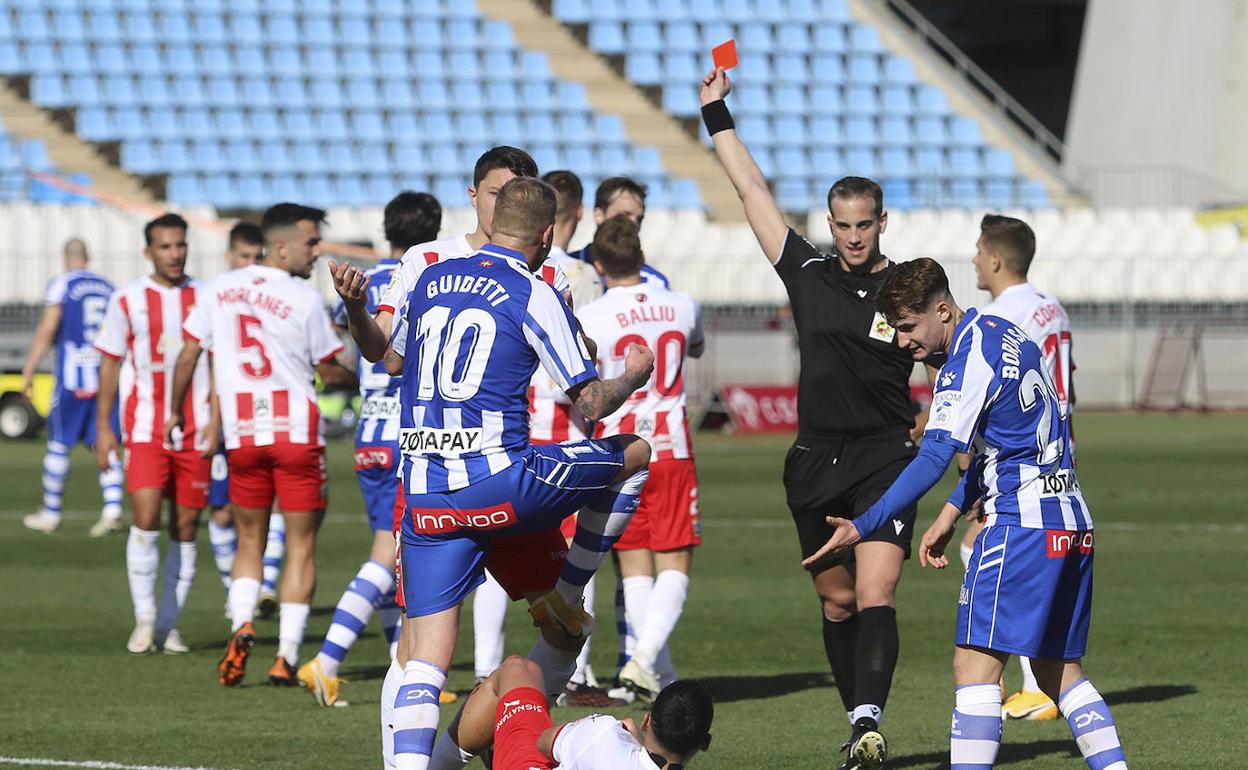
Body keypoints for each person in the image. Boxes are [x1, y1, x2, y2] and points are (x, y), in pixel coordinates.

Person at [347, 177, 654, 770]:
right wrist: (634, 375)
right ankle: (569, 591)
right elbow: (589, 404)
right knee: (634, 452)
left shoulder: (431, 276)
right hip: (505, 483)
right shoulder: (534, 290)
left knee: (425, 662)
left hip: (428, 495)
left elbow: (386, 355)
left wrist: (358, 306)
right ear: (546, 233)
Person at [805, 257, 1127, 770]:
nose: (901, 342)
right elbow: (1009, 438)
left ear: (941, 309)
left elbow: (934, 455)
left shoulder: (965, 359)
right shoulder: (1007, 333)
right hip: (1070, 523)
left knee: (973, 671)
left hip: (1019, 526)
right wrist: (953, 510)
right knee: (1057, 672)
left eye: (908, 327)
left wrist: (863, 525)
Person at [699, 67, 918, 767]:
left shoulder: (911, 284)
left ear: (883, 223)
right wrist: (715, 113)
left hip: (887, 454)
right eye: (843, 225)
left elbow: (948, 355)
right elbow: (751, 191)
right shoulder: (807, 271)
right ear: (831, 224)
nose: (854, 237)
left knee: (878, 588)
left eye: (865, 225)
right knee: (837, 602)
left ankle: (868, 726)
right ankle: (859, 717)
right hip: (815, 459)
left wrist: (938, 424)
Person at [170, 203, 355, 687]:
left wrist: (175, 409)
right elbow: (330, 369)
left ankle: (242, 624)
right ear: (281, 246)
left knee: (247, 540)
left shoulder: (217, 289)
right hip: (296, 436)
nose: (317, 251)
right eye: (311, 242)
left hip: (243, 436)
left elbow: (188, 354)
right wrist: (359, 378)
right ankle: (286, 657)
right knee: (300, 546)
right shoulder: (303, 298)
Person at [297, 191, 446, 707]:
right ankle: (327, 660)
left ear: (387, 229)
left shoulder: (368, 281)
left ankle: (400, 666)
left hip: (368, 434)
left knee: (392, 550)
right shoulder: (426, 277)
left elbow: (359, 344)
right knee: (389, 554)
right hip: (407, 433)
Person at [577, 216, 706, 703]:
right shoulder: (683, 306)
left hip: (617, 449)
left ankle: (649, 668)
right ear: (642, 256)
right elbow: (696, 347)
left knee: (633, 565)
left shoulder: (592, 315)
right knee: (674, 562)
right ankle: (641, 663)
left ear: (600, 263)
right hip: (671, 446)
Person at [964, 214, 1076, 722]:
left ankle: (1025, 678)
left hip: (1018, 455)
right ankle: (1038, 678)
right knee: (1041, 562)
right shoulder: (1053, 307)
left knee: (979, 547)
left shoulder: (1002, 316)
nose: (973, 260)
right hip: (1058, 447)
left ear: (994, 258)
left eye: (978, 250)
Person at [93, 214, 213, 655]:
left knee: (185, 527)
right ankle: (144, 621)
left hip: (196, 431)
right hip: (144, 430)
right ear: (149, 252)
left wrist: (217, 419)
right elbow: (109, 361)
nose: (175, 253)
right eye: (165, 246)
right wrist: (104, 428)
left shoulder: (206, 296)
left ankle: (168, 625)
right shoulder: (126, 300)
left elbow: (217, 363)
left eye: (180, 245)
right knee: (144, 519)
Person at [21, 239, 124, 537]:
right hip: (105, 377)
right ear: (88, 258)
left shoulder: (62, 285)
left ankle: (51, 513)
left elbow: (47, 329)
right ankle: (113, 508)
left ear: (66, 258)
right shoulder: (109, 287)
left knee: (58, 444)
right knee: (106, 442)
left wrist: (30, 367)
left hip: (73, 378)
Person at [448, 655, 713, 770]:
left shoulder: (606, 734)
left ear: (646, 721)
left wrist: (629, 740)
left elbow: (544, 743)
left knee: (519, 669)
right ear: (705, 743)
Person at [206, 222, 265, 598]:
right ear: (230, 256)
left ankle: (262, 585)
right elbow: (209, 363)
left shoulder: (273, 295)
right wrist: (212, 424)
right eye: (244, 257)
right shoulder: (216, 297)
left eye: (256, 257)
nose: (250, 264)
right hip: (227, 419)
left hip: (265, 418)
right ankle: (236, 589)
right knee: (222, 511)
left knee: (265, 508)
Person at [569, 176, 670, 290]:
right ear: (599, 215)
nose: (633, 223)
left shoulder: (655, 283)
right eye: (624, 215)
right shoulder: (565, 269)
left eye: (639, 219)